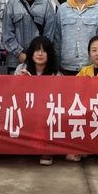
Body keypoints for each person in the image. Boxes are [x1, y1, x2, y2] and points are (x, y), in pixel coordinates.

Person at [14, 36, 60, 166]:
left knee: (45, 115)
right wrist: (22, 82)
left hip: (46, 111)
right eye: (37, 50)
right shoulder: (21, 69)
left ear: (49, 54)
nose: (40, 54)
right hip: (25, 108)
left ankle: (45, 150)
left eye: (44, 51)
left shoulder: (56, 74)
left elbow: (58, 98)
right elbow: (12, 93)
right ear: (31, 52)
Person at [3, 0, 56, 70]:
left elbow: (49, 33)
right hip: (15, 60)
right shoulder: (12, 3)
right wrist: (19, 53)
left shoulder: (46, 3)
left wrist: (38, 53)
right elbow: (7, 32)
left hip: (39, 61)